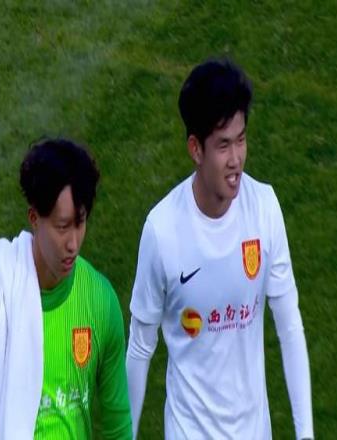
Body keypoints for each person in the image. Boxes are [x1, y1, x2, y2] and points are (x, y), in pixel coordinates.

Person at [126, 58, 314, 439]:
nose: (236, 160)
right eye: (223, 145)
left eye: (241, 140)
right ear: (195, 149)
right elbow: (140, 349)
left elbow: (289, 325)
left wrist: (305, 433)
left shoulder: (264, 208)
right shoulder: (162, 230)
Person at [0, 138, 132, 439]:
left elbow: (118, 424)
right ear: (34, 219)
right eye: (62, 226)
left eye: (80, 223)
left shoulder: (100, 300)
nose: (73, 243)